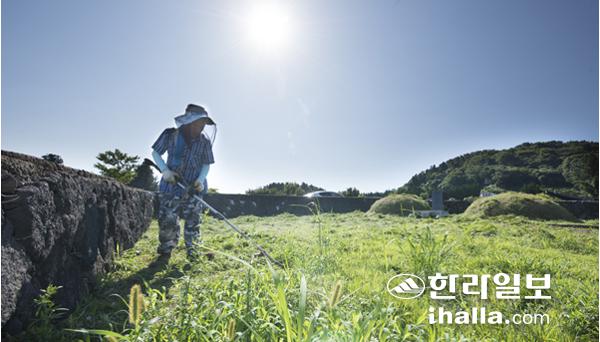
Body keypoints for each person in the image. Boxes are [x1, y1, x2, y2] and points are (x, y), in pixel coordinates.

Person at [151, 104, 216, 259]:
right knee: (168, 219)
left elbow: (207, 164)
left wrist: (200, 180)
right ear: (189, 121)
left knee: (194, 221)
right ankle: (165, 252)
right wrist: (165, 171)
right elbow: (155, 153)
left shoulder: (204, 141)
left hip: (193, 188)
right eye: (199, 123)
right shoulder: (170, 135)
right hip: (171, 186)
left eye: (203, 124)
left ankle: (193, 251)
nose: (201, 127)